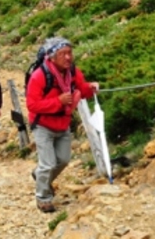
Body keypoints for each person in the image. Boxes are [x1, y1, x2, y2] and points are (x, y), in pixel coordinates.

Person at [26, 37, 99, 214]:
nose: (68, 57)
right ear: (51, 56)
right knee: (47, 163)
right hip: (42, 125)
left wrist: (91, 87)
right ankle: (43, 198)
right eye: (62, 54)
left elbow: (81, 88)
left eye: (69, 53)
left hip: (62, 123)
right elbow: (32, 105)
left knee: (64, 160)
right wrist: (58, 101)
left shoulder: (72, 71)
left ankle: (39, 177)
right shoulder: (39, 76)